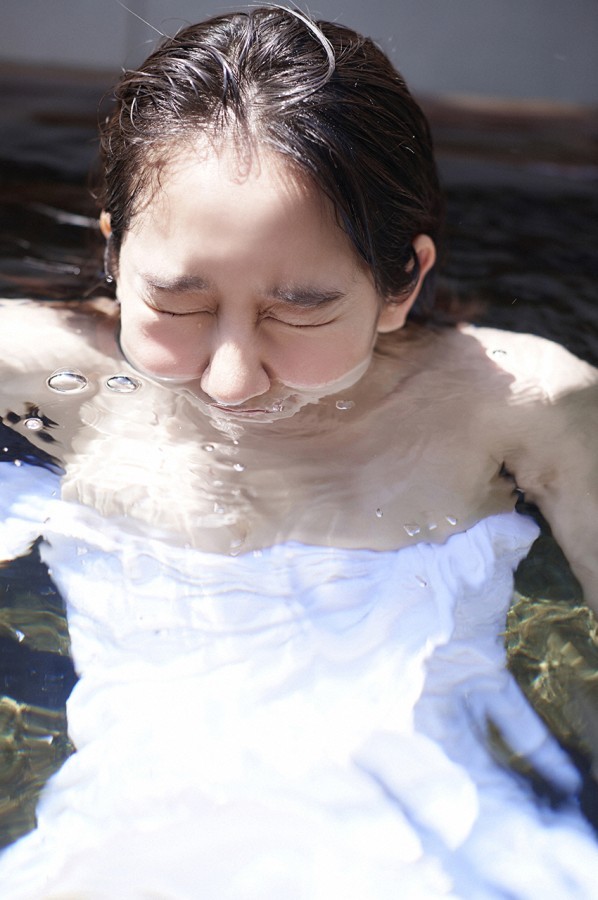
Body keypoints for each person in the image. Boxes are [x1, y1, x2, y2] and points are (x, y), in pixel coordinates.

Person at [0, 7, 597, 897]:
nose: (232, 378)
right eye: (178, 303)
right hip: (124, 849)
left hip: (448, 855)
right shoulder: (44, 372)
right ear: (115, 255)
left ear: (402, 282)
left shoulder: (513, 406)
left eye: (300, 311)